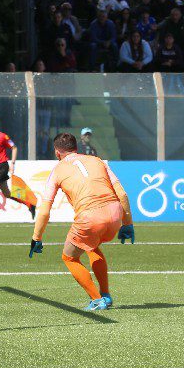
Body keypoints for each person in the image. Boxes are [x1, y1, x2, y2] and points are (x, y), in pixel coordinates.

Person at [28, 132, 134, 310]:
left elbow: (45, 210)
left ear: (57, 152)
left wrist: (36, 237)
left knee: (69, 257)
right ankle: (106, 295)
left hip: (90, 217)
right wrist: (128, 223)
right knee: (92, 247)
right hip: (115, 213)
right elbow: (122, 194)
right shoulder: (97, 160)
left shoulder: (57, 170)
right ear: (75, 147)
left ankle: (97, 300)